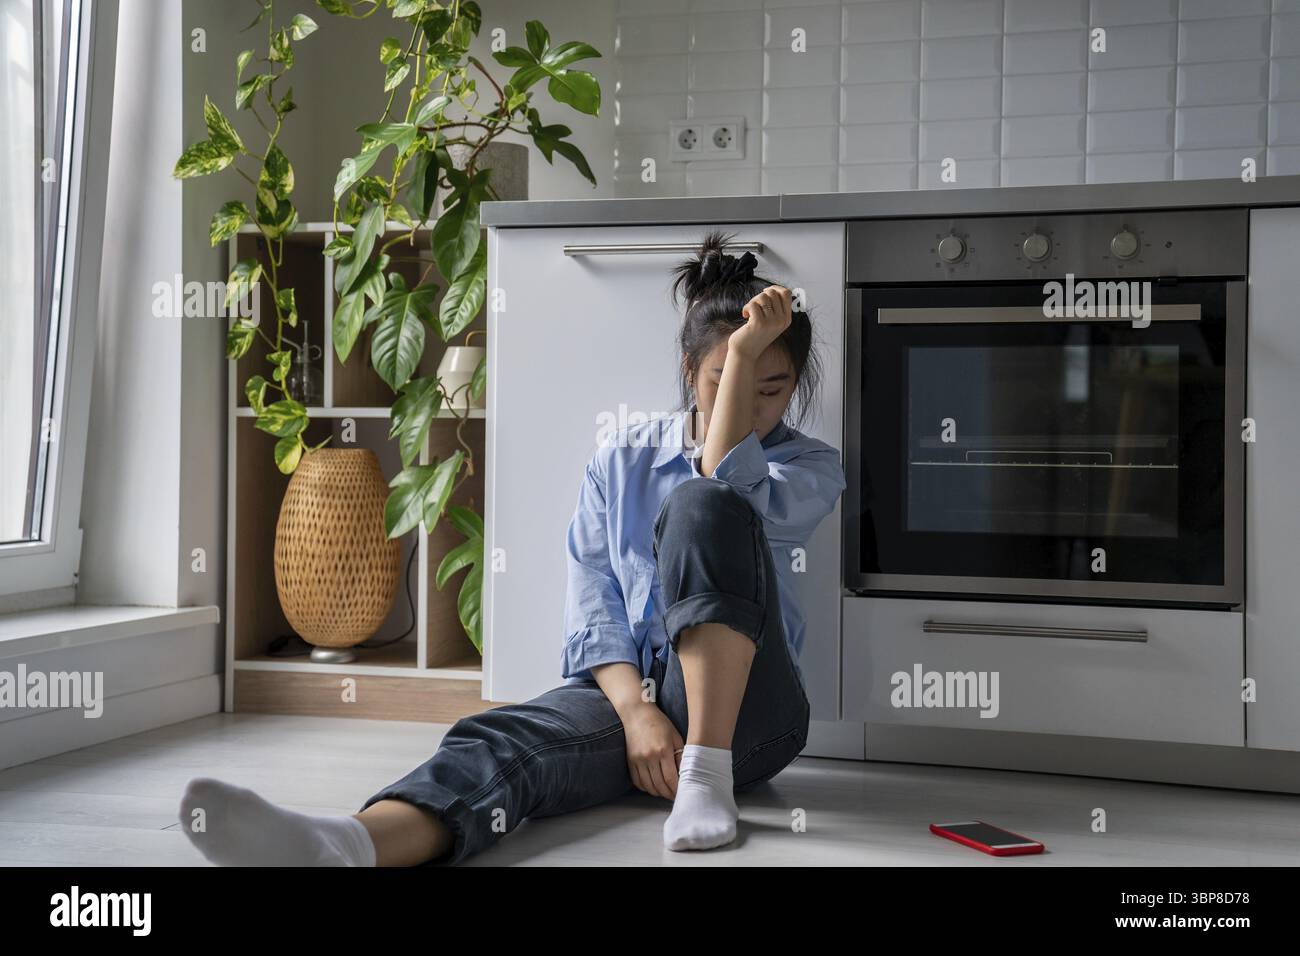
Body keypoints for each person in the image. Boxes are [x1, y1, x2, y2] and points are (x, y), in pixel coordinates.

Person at [178, 231, 847, 866]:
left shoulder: (811, 468)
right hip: (633, 699)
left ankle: (707, 769)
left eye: (772, 386)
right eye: (726, 378)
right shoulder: (623, 456)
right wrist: (637, 712)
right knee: (503, 739)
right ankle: (348, 846)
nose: (756, 405)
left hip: (756, 722)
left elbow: (721, 475)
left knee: (704, 504)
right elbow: (596, 601)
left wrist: (748, 348)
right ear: (686, 369)